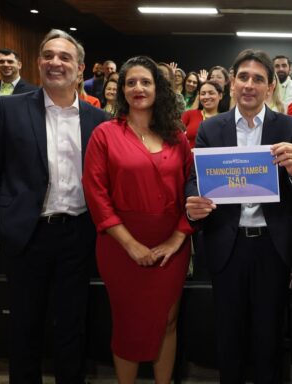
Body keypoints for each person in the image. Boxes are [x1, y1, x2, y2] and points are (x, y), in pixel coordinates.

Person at [0, 29, 110, 383]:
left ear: (80, 69)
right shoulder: (8, 109)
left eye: (65, 57)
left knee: (71, 325)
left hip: (78, 236)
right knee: (24, 326)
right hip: (26, 235)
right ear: (37, 63)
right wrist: (1, 224)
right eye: (48, 55)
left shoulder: (99, 121)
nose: (55, 62)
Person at [184, 49, 292, 383]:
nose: (249, 85)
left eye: (258, 79)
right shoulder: (211, 128)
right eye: (243, 77)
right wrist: (191, 202)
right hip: (227, 244)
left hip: (272, 247)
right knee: (228, 336)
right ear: (232, 82)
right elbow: (195, 179)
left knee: (269, 336)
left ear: (270, 87)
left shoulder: (289, 127)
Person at [82, 55, 192, 384]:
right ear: (121, 91)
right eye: (130, 83)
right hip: (120, 245)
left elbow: (193, 188)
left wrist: (177, 238)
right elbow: (96, 194)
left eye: (146, 82)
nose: (138, 88)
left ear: (159, 89)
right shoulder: (104, 134)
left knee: (168, 321)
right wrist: (130, 245)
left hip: (171, 245)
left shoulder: (176, 136)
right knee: (127, 321)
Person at [182, 81, 222, 149]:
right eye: (203, 94)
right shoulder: (189, 114)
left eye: (211, 93)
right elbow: (175, 137)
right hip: (189, 154)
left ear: (220, 96)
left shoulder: (225, 119)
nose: (206, 97)